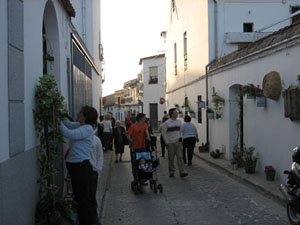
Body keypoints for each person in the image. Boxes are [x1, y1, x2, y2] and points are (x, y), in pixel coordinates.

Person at [59, 105, 98, 225]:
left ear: (85, 116)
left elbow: (68, 133)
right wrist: (60, 118)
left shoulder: (87, 129)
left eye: (80, 112)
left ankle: (88, 222)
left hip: (80, 167)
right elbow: (68, 125)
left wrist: (55, 121)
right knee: (80, 198)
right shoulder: (82, 126)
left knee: (82, 199)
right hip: (78, 167)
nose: (77, 113)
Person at [161, 108, 188, 178]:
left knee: (180, 157)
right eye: (175, 113)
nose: (177, 114)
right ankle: (171, 171)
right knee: (171, 158)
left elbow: (181, 131)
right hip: (170, 143)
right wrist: (167, 142)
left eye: (177, 113)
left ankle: (182, 172)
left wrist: (181, 138)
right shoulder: (167, 123)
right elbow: (163, 133)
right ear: (172, 114)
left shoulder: (179, 122)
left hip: (178, 142)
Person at [90, 123, 103, 225]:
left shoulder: (96, 140)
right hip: (80, 171)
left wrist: (97, 170)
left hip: (92, 172)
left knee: (91, 196)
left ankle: (94, 218)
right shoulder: (78, 138)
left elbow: (100, 157)